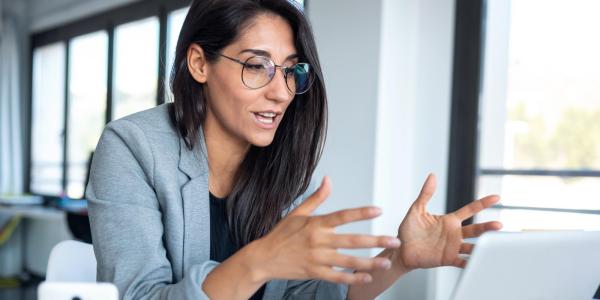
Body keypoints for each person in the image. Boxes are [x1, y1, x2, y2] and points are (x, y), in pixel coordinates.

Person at [86, 0, 502, 299]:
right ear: (199, 64)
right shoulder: (132, 147)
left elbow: (304, 295)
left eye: (291, 71)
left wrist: (400, 261)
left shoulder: (278, 162)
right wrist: (260, 261)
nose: (281, 92)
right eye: (256, 66)